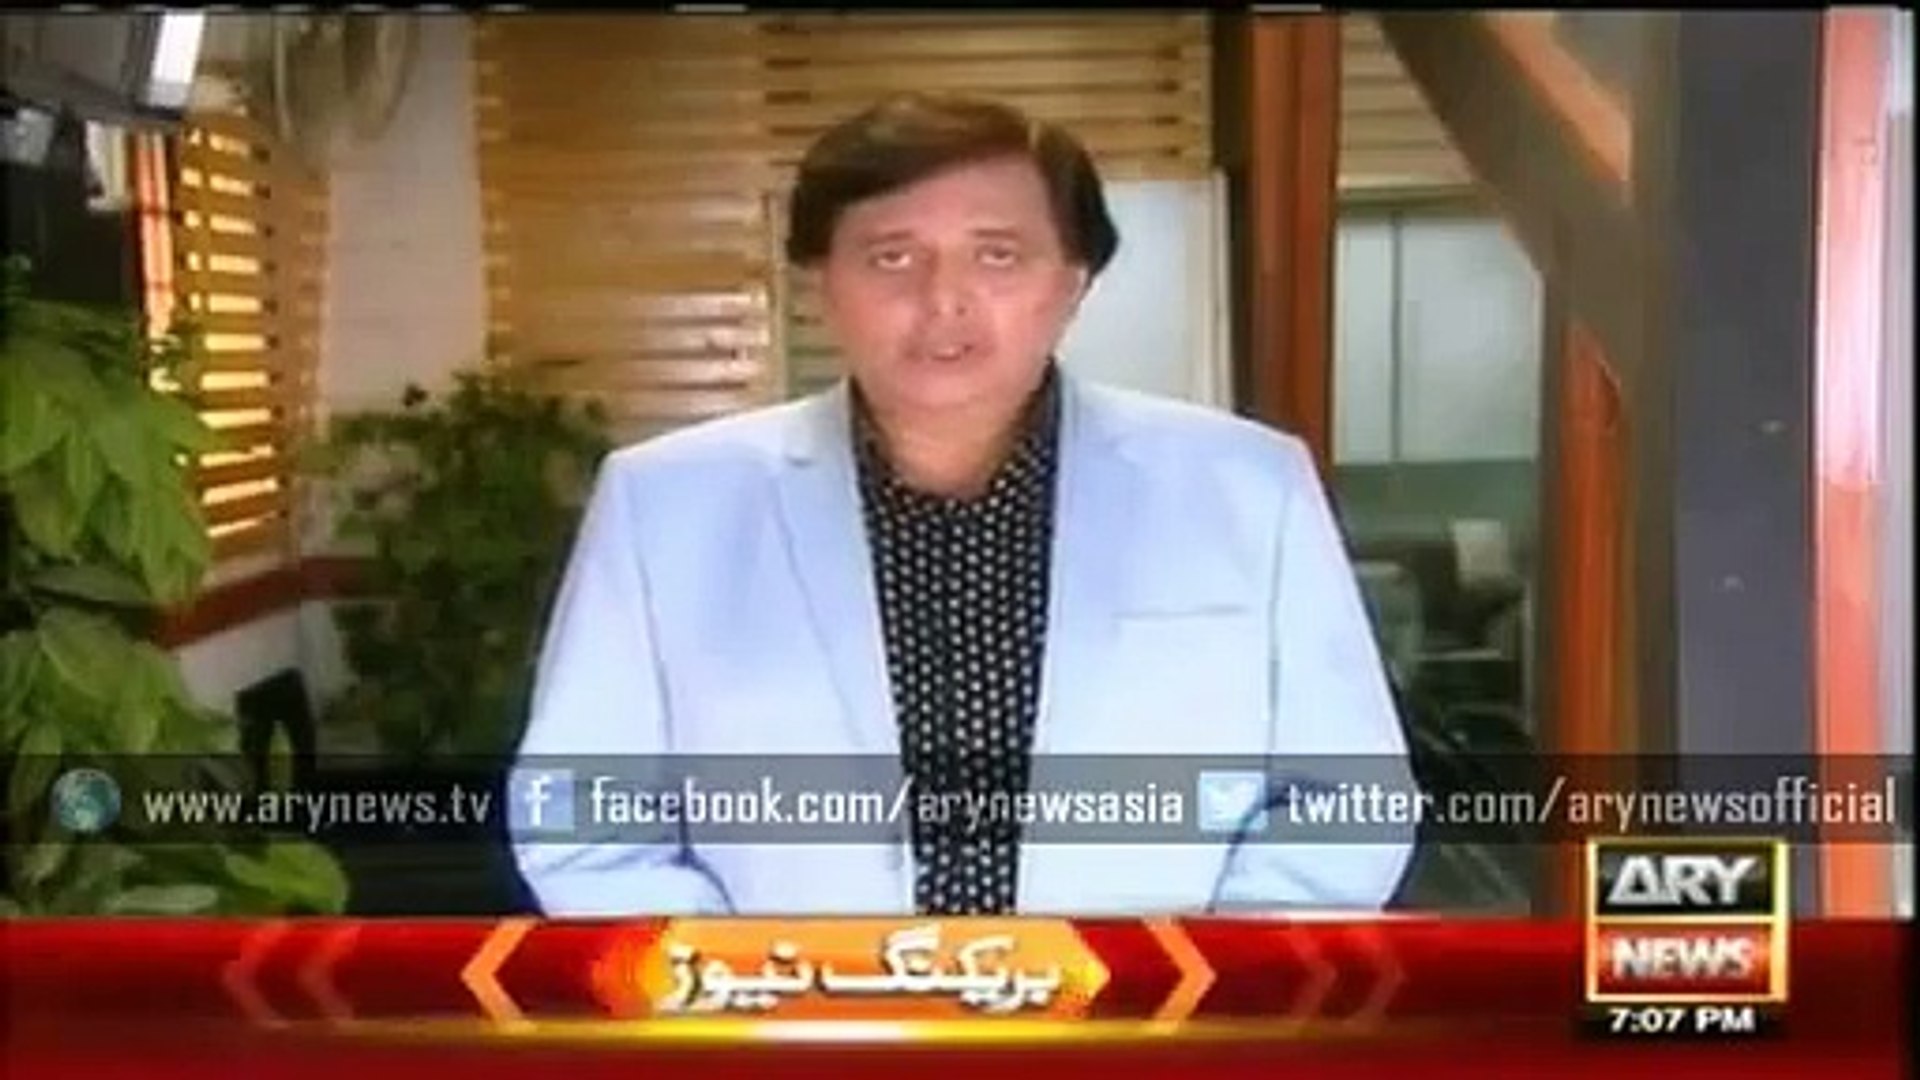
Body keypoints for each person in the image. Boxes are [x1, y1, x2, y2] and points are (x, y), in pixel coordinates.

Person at [509, 93, 1414, 916]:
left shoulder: (1248, 487)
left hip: (1152, 1020)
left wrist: (1201, 986)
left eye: (997, 255)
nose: (944, 301)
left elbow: (1345, 800)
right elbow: (586, 820)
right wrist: (756, 990)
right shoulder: (665, 505)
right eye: (891, 257)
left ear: (1072, 283)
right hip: (794, 1021)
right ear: (822, 285)